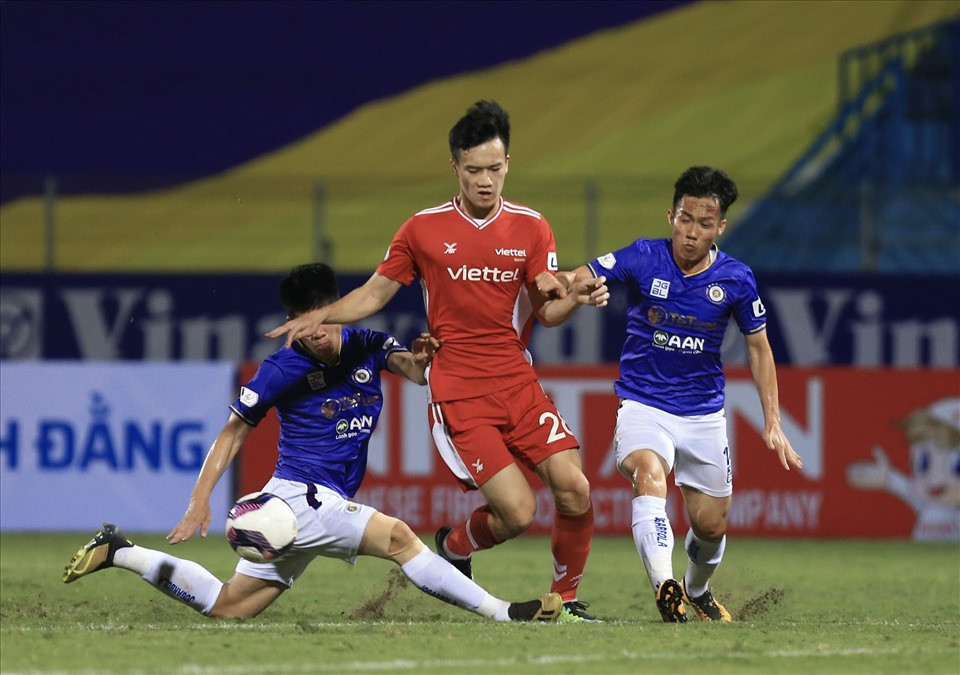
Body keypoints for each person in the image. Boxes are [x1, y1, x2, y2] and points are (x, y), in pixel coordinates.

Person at [63, 263, 562, 624]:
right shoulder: (283, 367)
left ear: (338, 309)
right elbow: (233, 430)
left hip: (313, 503)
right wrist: (199, 500)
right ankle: (505, 613)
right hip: (301, 495)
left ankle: (118, 551)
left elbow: (410, 371)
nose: (316, 333)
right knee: (400, 539)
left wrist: (422, 357)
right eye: (303, 323)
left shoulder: (366, 343)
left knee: (230, 606)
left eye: (323, 318)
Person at [266, 101, 608, 622]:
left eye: (495, 169)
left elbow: (548, 307)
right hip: (460, 390)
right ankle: (455, 545)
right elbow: (375, 293)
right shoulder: (423, 229)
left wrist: (573, 297)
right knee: (517, 514)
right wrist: (320, 317)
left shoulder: (532, 228)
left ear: (508, 163)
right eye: (474, 170)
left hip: (518, 380)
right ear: (455, 168)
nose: (485, 181)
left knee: (575, 488)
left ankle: (567, 598)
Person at [537, 166, 803, 622]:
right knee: (648, 474)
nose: (691, 232)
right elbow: (584, 273)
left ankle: (697, 590)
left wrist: (773, 421)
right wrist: (566, 281)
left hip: (703, 415)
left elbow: (759, 351)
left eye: (704, 224)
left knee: (711, 525)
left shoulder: (737, 279)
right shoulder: (643, 256)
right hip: (643, 405)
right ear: (670, 216)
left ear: (720, 227)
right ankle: (666, 587)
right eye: (684, 219)